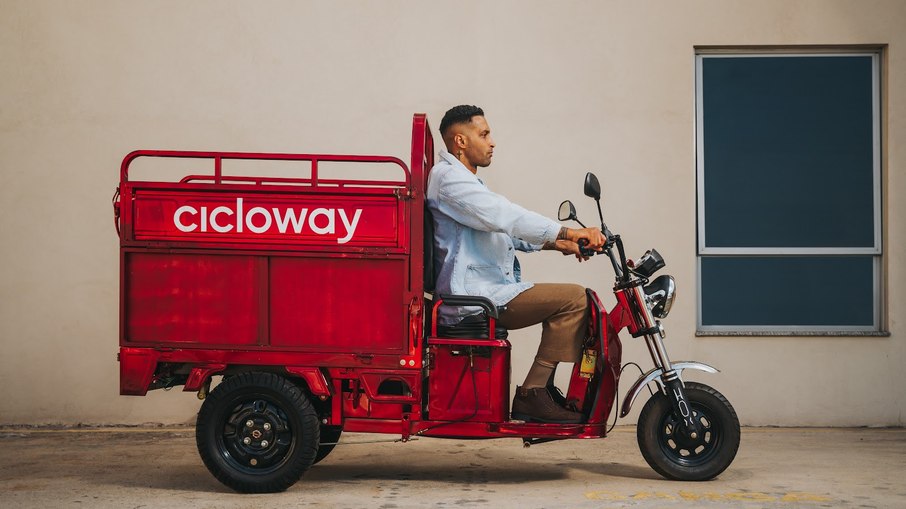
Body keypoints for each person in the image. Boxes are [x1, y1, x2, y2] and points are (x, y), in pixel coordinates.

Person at [426, 105, 606, 424]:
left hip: (487, 293)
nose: (492, 142)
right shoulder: (449, 179)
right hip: (475, 299)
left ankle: (542, 391)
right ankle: (533, 393)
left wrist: (559, 243)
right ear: (460, 141)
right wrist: (569, 230)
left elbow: (502, 230)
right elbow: (504, 216)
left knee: (579, 300)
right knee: (575, 300)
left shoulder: (465, 183)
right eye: (484, 134)